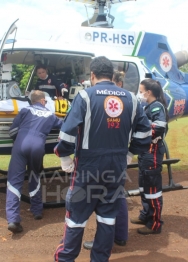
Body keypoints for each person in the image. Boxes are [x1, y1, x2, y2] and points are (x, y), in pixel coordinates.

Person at [53, 56, 151, 262]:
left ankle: (66, 258)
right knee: (108, 218)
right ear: (113, 75)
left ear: (92, 75)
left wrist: (64, 156)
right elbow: (144, 132)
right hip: (116, 167)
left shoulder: (85, 96)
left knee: (76, 218)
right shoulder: (132, 99)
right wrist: (130, 153)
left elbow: (68, 131)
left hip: (88, 166)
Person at [82, 70, 129, 251]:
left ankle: (104, 242)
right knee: (118, 196)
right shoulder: (129, 100)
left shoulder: (96, 97)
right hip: (118, 157)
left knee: (101, 203)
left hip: (99, 158)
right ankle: (120, 236)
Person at [6, 90, 63, 234]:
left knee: (14, 181)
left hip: (21, 144)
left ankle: (13, 220)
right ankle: (37, 210)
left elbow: (12, 131)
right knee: (34, 176)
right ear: (43, 101)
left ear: (32, 101)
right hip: (38, 146)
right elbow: (64, 126)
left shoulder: (25, 110)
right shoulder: (50, 114)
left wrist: (18, 142)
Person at [130, 78, 169, 235]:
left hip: (152, 152)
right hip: (145, 152)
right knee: (144, 186)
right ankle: (146, 215)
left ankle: (155, 223)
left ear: (149, 92)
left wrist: (140, 136)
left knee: (152, 189)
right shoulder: (148, 106)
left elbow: (158, 128)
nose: (140, 94)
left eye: (141, 91)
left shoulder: (156, 107)